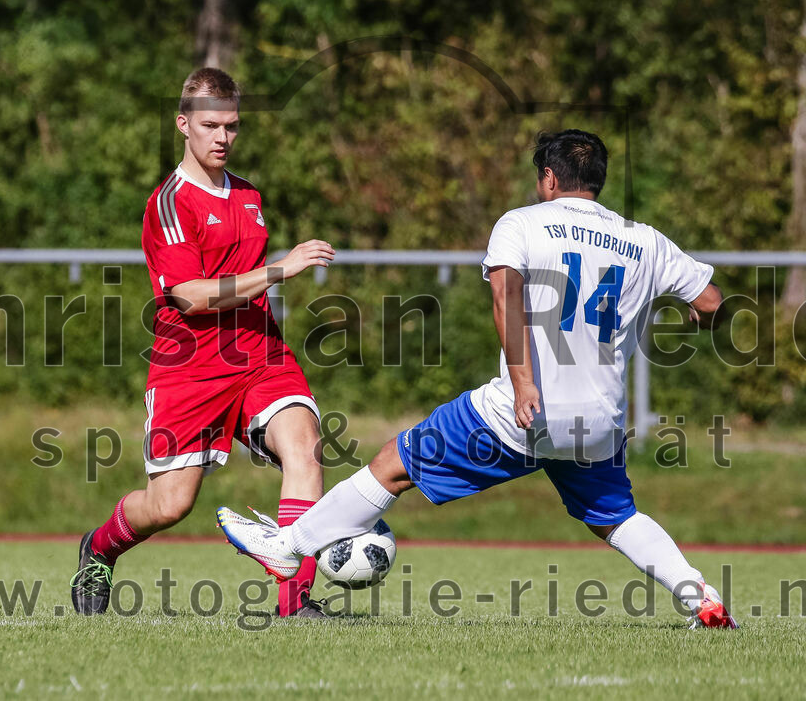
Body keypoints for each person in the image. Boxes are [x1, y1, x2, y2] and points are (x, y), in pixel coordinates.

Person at [217, 129, 738, 629]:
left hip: (523, 411)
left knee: (393, 465)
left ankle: (288, 549)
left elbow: (504, 294)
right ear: (596, 180)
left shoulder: (523, 223)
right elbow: (713, 303)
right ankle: (702, 598)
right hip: (597, 423)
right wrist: (700, 317)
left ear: (550, 179)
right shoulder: (642, 240)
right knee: (614, 516)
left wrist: (523, 380)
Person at [71, 68, 335, 618]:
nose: (222, 137)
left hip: (260, 353)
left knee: (306, 449)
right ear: (183, 123)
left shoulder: (248, 194)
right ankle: (99, 548)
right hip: (190, 365)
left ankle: (295, 603)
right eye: (211, 125)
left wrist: (269, 277)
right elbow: (189, 296)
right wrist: (280, 271)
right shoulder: (169, 203)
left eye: (232, 126)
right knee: (170, 506)